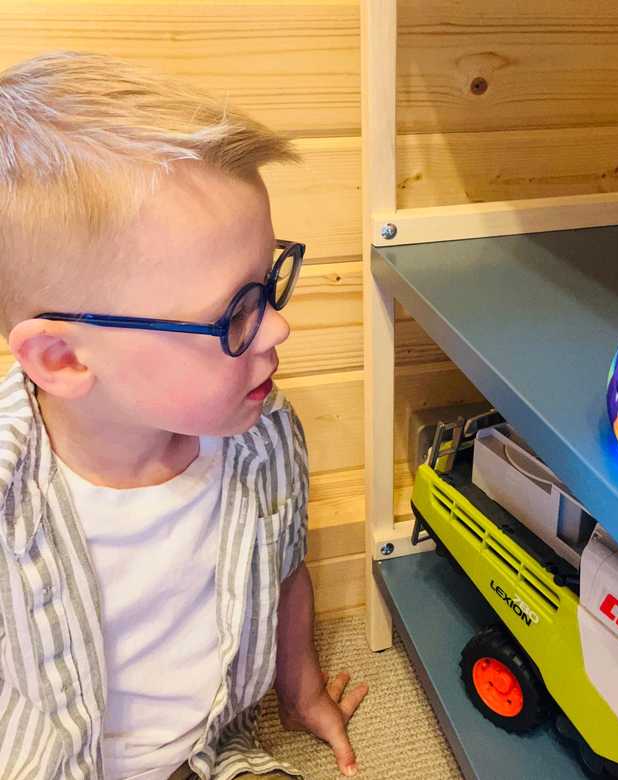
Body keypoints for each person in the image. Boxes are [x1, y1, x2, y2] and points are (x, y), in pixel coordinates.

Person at [0, 50, 368, 780]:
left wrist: (299, 691)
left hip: (213, 750)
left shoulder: (260, 433)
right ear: (65, 361)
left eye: (269, 283)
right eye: (235, 311)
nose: (276, 331)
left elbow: (287, 567)